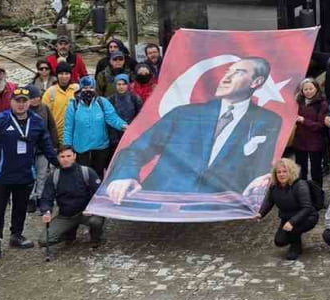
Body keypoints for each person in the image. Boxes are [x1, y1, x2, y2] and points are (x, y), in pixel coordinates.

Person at [105, 58, 282, 201]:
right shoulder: (183, 114)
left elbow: (261, 163)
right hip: (162, 199)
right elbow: (135, 150)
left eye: (238, 72)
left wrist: (263, 178)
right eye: (227, 71)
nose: (226, 78)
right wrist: (124, 176)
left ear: (256, 81)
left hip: (218, 204)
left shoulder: (268, 120)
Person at [0, 86, 57, 262]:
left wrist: (58, 163)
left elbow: (46, 145)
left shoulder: (37, 122)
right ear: (11, 102)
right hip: (2, 175)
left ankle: (16, 235)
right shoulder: (0, 121)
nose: (21, 105)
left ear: (29, 103)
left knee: (20, 207)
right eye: (17, 101)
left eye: (24, 101)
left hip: (25, 174)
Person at [37, 145, 104, 247]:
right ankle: (69, 234)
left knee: (96, 221)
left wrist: (93, 209)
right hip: (66, 215)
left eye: (69, 156)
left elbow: (100, 194)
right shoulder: (54, 176)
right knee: (44, 241)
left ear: (74, 156)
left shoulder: (87, 172)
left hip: (86, 213)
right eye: (62, 157)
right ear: (58, 158)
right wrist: (46, 211)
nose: (66, 159)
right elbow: (46, 198)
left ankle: (95, 238)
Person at [64, 76, 129, 174]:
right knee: (83, 175)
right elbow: (68, 127)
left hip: (100, 148)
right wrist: (67, 146)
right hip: (81, 148)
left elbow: (112, 118)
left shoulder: (102, 102)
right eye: (85, 88)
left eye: (91, 88)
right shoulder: (74, 105)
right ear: (80, 89)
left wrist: (123, 126)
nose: (88, 90)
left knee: (98, 175)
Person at [258, 157, 320, 260]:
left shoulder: (300, 185)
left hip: (307, 216)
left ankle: (296, 247)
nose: (281, 174)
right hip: (287, 217)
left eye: (284, 171)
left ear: (291, 172)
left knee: (293, 229)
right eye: (278, 172)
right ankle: (294, 236)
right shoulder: (274, 187)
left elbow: (307, 207)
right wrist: (260, 214)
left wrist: (292, 222)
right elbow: (269, 202)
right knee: (279, 241)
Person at [27, 84, 59, 203]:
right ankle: (30, 197)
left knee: (42, 174)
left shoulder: (45, 108)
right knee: (29, 174)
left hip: (43, 148)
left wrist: (54, 144)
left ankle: (40, 196)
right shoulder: (23, 110)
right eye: (32, 97)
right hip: (28, 149)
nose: (35, 100)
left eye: (37, 97)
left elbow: (52, 126)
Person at [293, 78, 328, 185]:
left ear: (316, 88)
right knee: (300, 170)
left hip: (315, 142)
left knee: (316, 170)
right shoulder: (298, 102)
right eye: (305, 89)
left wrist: (304, 121)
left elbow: (320, 125)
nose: (308, 91)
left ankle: (317, 192)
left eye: (311, 89)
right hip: (300, 141)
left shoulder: (322, 104)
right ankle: (301, 191)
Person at [43, 64, 78, 145]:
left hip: (76, 134)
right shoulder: (50, 92)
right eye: (61, 73)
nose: (64, 76)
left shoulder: (77, 89)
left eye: (67, 73)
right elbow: (44, 114)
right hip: (57, 135)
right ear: (57, 75)